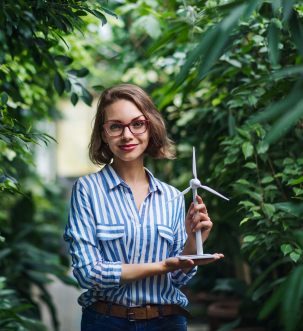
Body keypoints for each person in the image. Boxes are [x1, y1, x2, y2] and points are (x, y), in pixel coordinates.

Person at [63, 84, 223, 331]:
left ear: (150, 128)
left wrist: (193, 244)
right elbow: (88, 273)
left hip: (167, 322)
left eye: (137, 124)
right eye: (115, 126)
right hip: (106, 322)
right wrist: (161, 266)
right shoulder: (87, 189)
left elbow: (176, 279)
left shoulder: (171, 196)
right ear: (104, 134)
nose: (127, 135)